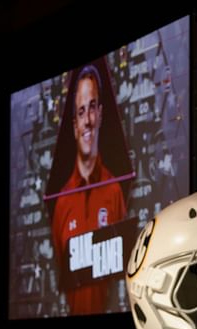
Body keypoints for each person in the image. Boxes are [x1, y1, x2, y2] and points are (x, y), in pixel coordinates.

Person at [51, 64, 127, 315]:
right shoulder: (61, 202)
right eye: (81, 112)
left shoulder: (114, 191)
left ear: (101, 114)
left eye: (92, 107)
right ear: (74, 125)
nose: (88, 120)